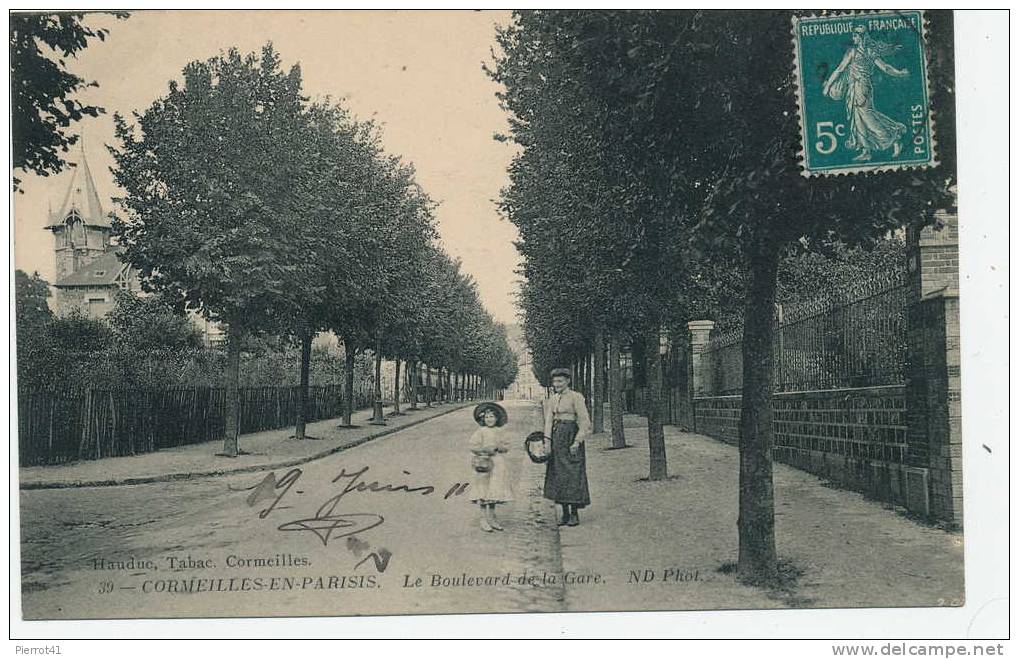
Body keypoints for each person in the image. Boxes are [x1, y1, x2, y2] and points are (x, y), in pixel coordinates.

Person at [822, 25, 910, 162]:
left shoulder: (868, 52)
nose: (853, 38)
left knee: (867, 116)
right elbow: (839, 69)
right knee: (858, 119)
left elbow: (885, 67)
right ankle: (866, 150)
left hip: (863, 88)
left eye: (856, 36)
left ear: (862, 37)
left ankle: (894, 139)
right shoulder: (853, 51)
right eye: (853, 36)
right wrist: (828, 85)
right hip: (853, 87)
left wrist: (899, 73)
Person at [542, 367, 592, 527]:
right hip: (557, 438)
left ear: (568, 381)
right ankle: (564, 513)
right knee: (558, 474)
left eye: (560, 381)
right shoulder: (553, 399)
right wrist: (547, 442)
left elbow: (585, 421)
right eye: (555, 381)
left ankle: (574, 513)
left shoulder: (576, 397)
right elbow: (549, 421)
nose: (556, 384)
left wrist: (577, 441)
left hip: (570, 437)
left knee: (573, 474)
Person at [468, 402, 513, 532]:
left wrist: (499, 447)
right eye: (487, 417)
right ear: (483, 419)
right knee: (483, 490)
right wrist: (482, 450)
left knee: (494, 489)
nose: (489, 420)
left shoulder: (500, 431)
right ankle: (483, 519)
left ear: (497, 418)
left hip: (497, 463)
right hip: (484, 463)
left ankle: (492, 518)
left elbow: (506, 446)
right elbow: (472, 446)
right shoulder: (481, 432)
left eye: (492, 417)